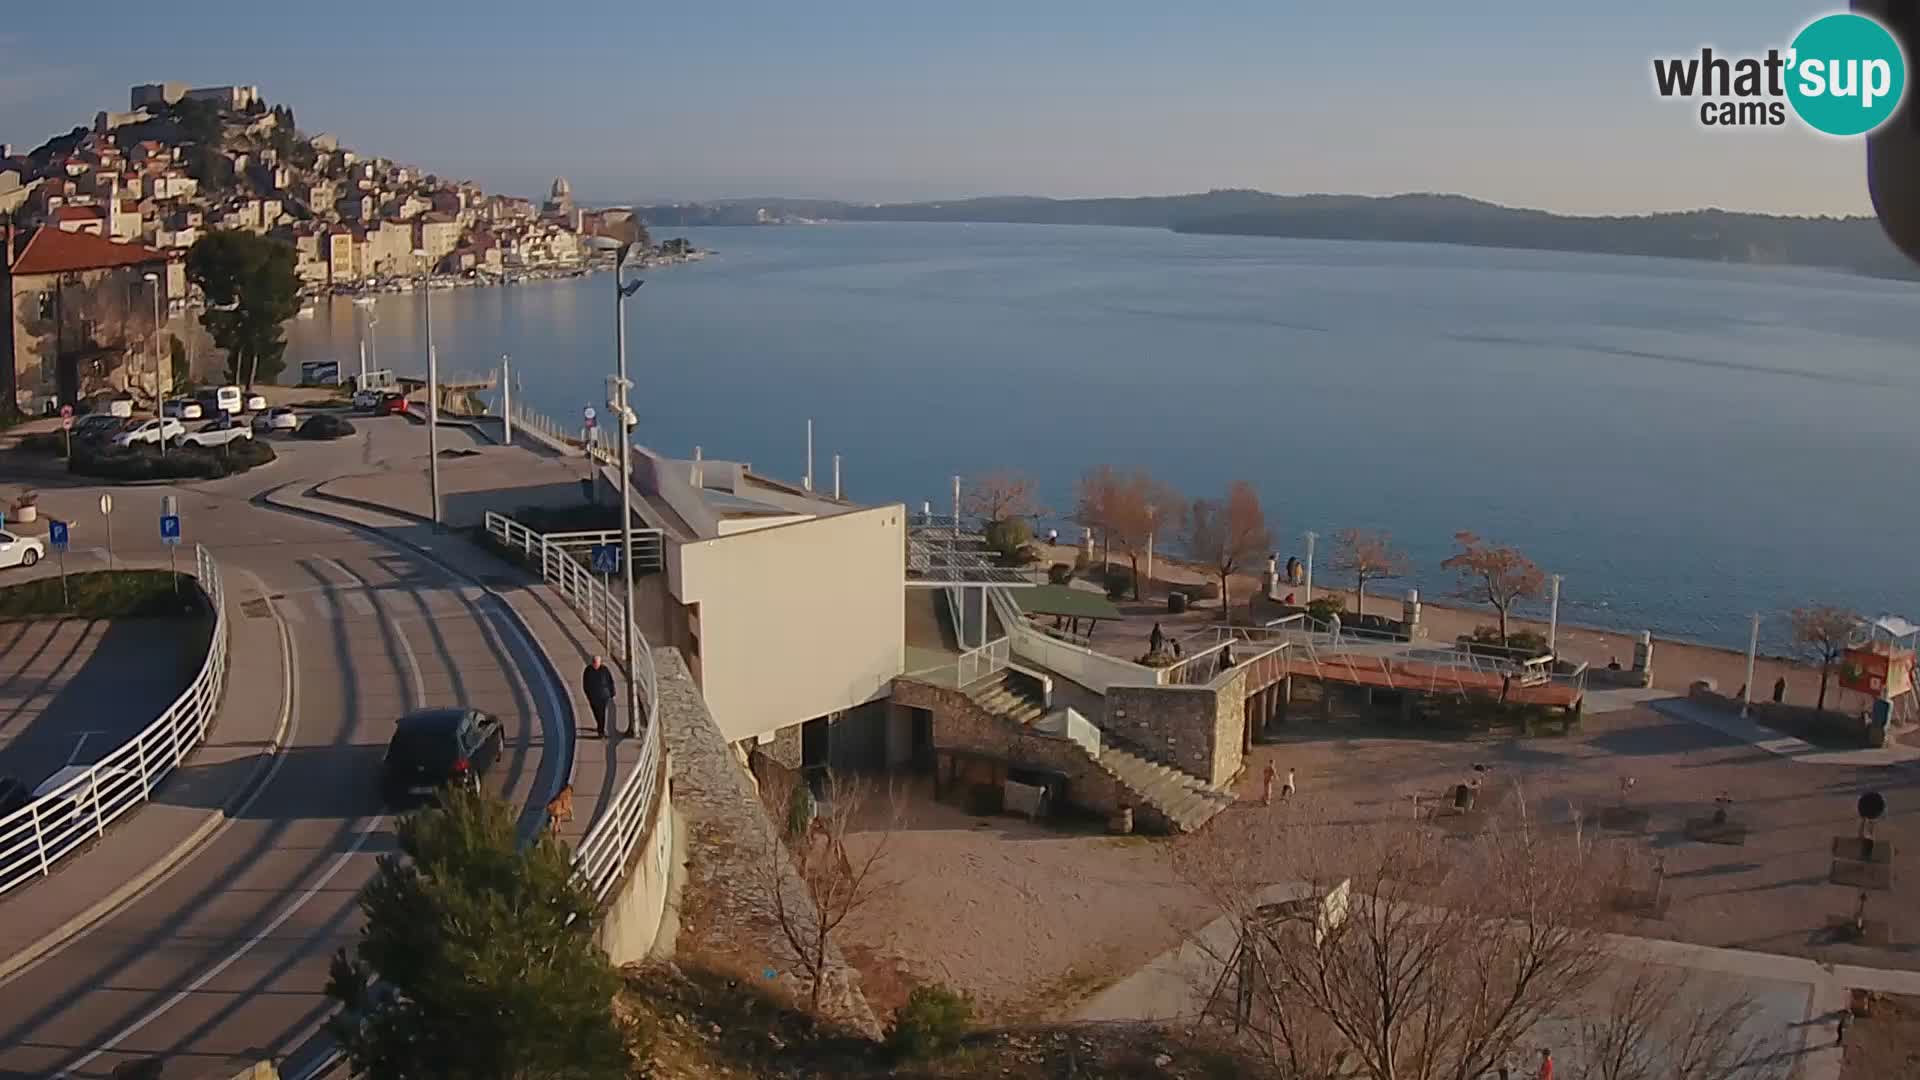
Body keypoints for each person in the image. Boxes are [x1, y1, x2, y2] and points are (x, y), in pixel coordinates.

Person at [583, 655, 616, 738]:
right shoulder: (588, 670)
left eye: (597, 662)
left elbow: (610, 681)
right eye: (594, 662)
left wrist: (612, 692)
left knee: (602, 712)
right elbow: (585, 684)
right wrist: (588, 694)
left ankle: (601, 731)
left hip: (603, 696)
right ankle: (600, 726)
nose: (596, 664)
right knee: (596, 712)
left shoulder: (604, 670)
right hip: (593, 696)